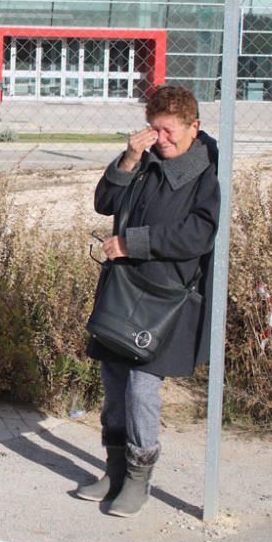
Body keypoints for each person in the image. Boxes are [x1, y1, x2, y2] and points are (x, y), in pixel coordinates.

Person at [79, 85, 220, 517]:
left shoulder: (207, 173)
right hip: (123, 289)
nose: (161, 138)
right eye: (153, 129)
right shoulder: (144, 161)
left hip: (164, 298)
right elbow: (105, 201)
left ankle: (140, 477)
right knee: (114, 380)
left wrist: (132, 242)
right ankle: (115, 470)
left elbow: (198, 234)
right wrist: (128, 159)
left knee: (142, 386)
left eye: (169, 130)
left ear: (194, 127)